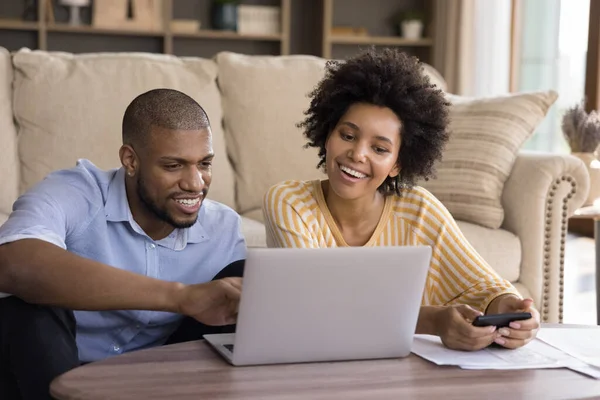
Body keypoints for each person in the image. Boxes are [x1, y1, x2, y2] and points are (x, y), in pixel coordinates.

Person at [263, 48, 540, 352]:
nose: (358, 154)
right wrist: (432, 321)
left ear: (397, 164)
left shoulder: (419, 209)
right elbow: (320, 307)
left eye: (379, 149)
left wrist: (511, 312)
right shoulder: (289, 202)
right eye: (348, 135)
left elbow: (484, 287)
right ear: (327, 135)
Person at [0, 89, 246, 399]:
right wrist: (180, 297)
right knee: (26, 302)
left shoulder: (224, 228)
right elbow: (14, 264)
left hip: (162, 378)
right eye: (173, 166)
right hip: (47, 374)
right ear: (130, 160)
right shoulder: (76, 192)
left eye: (205, 164)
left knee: (244, 279)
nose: (195, 183)